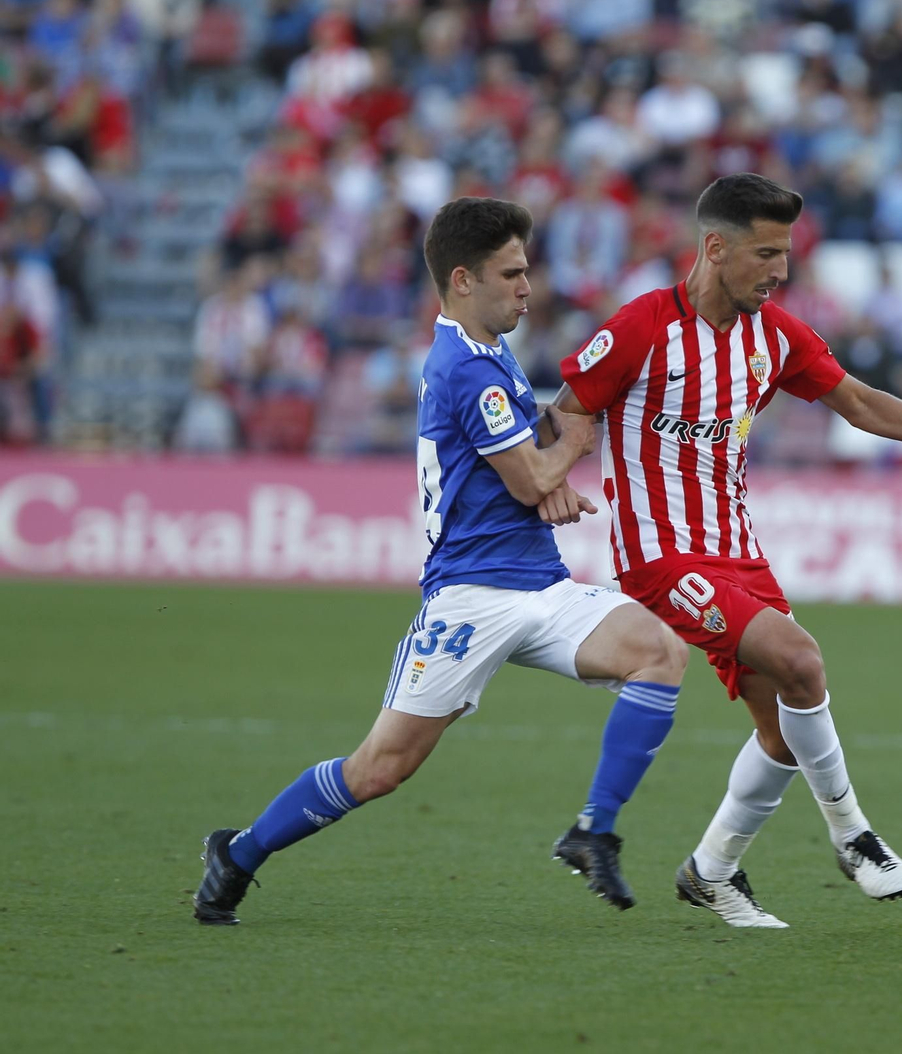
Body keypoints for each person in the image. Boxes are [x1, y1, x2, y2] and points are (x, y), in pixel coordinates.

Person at [552, 173, 902, 928]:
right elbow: (570, 410)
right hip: (662, 557)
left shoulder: (774, 335)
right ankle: (854, 836)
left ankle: (711, 870)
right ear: (716, 249)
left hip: (739, 552)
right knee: (803, 661)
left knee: (783, 733)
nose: (780, 271)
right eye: (766, 254)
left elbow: (858, 401)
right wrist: (552, 477)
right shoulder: (642, 327)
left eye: (785, 255)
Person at [193, 198, 687, 925]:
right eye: (511, 274)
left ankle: (594, 831)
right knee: (379, 768)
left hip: (541, 584)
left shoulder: (488, 351)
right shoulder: (465, 367)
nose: (528, 287)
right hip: (470, 597)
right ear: (463, 279)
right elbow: (532, 475)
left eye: (526, 271)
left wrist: (552, 460)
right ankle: (238, 853)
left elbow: (526, 460)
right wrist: (571, 449)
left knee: (660, 651)